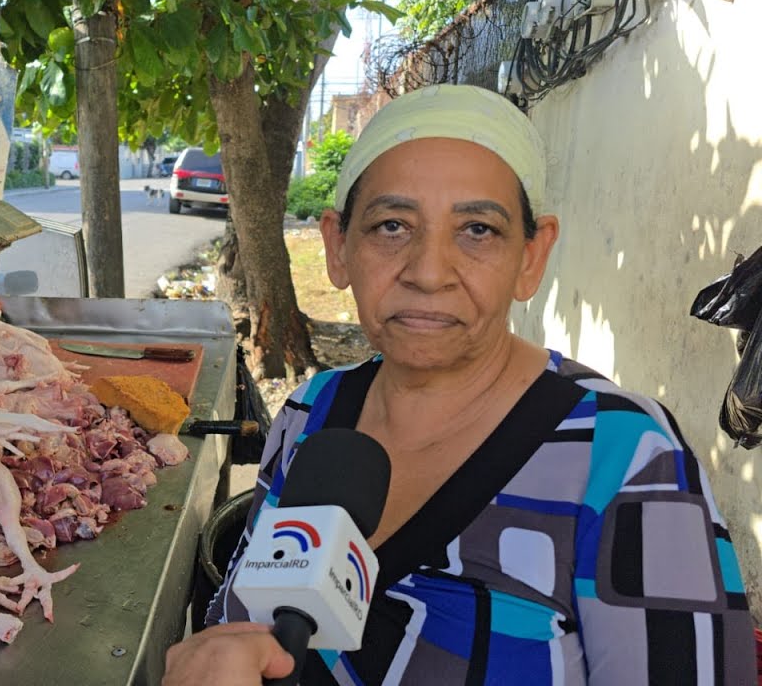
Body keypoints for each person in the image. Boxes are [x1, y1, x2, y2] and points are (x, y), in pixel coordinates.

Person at [165, 85, 753, 685]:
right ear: (338, 248)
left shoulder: (622, 452)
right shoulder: (312, 412)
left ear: (531, 256)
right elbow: (236, 621)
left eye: (477, 230)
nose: (427, 272)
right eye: (392, 225)